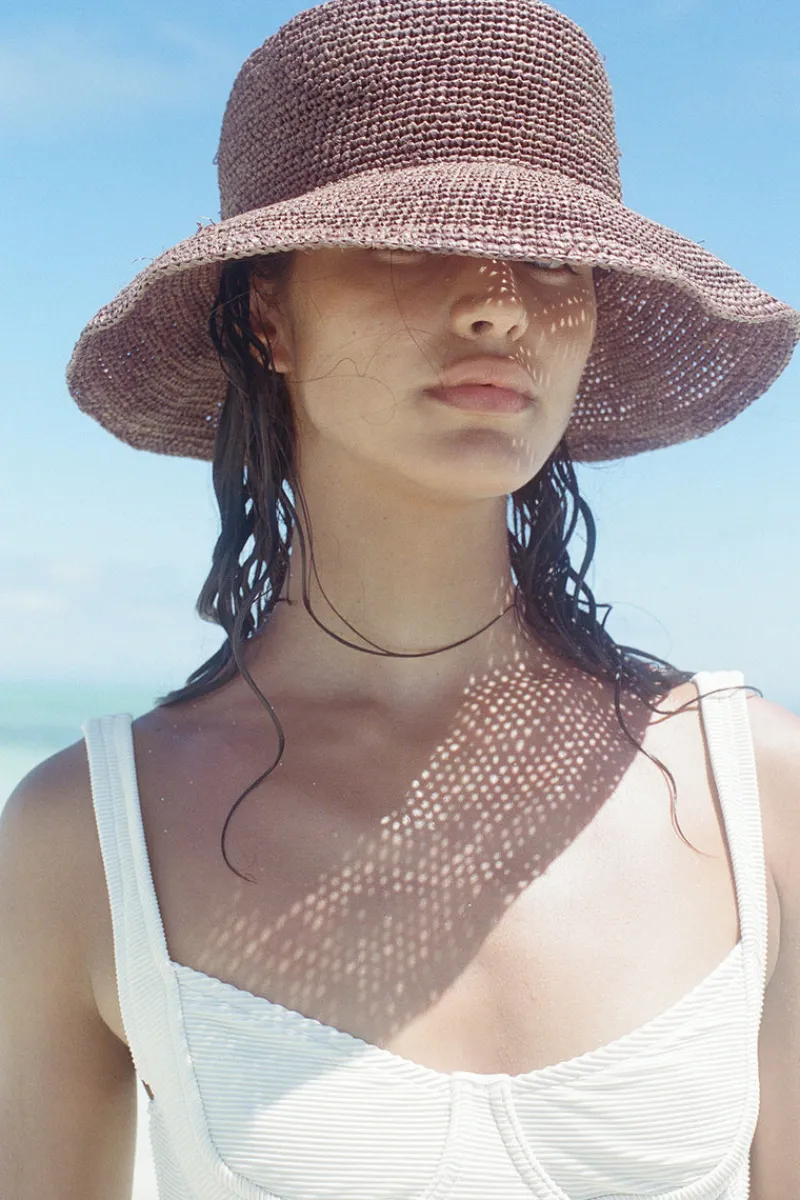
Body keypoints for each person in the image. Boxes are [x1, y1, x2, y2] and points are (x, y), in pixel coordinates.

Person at [1, 0, 799, 1196]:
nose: (495, 306)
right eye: (404, 245)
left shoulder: (757, 794)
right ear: (267, 317)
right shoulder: (85, 837)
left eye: (550, 258)